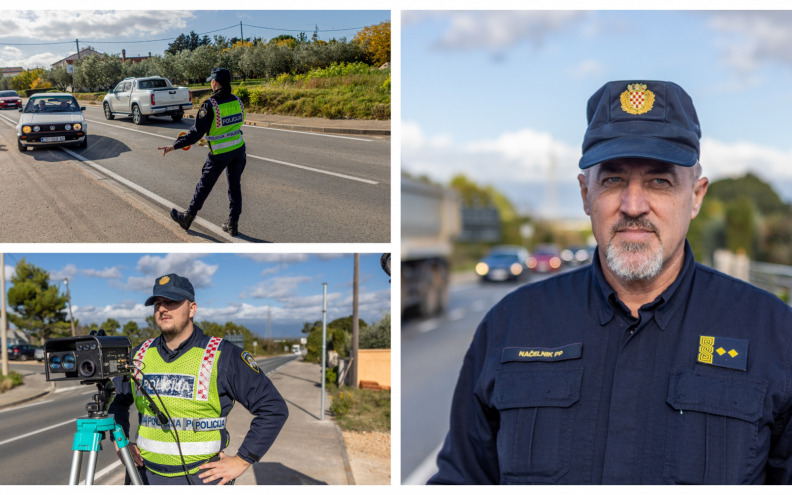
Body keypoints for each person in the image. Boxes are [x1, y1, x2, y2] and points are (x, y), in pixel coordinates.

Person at [428, 80, 792, 484]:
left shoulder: (775, 334)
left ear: (696, 196)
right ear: (586, 194)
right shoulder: (511, 325)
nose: (633, 206)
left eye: (660, 181)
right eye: (613, 180)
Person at [108, 273, 288, 485]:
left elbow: (273, 408)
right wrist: (120, 443)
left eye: (171, 302)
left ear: (192, 308)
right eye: (157, 303)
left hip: (200, 478)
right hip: (143, 476)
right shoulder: (139, 355)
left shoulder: (223, 355)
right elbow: (117, 402)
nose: (162, 309)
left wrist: (242, 460)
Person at [158, 68, 247, 237]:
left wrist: (174, 146)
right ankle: (233, 224)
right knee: (235, 187)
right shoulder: (237, 100)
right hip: (238, 150)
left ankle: (187, 218)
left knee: (204, 186)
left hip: (220, 154)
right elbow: (234, 125)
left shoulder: (210, 104)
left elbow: (195, 133)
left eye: (211, 81)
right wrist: (210, 138)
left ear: (215, 82)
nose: (210, 83)